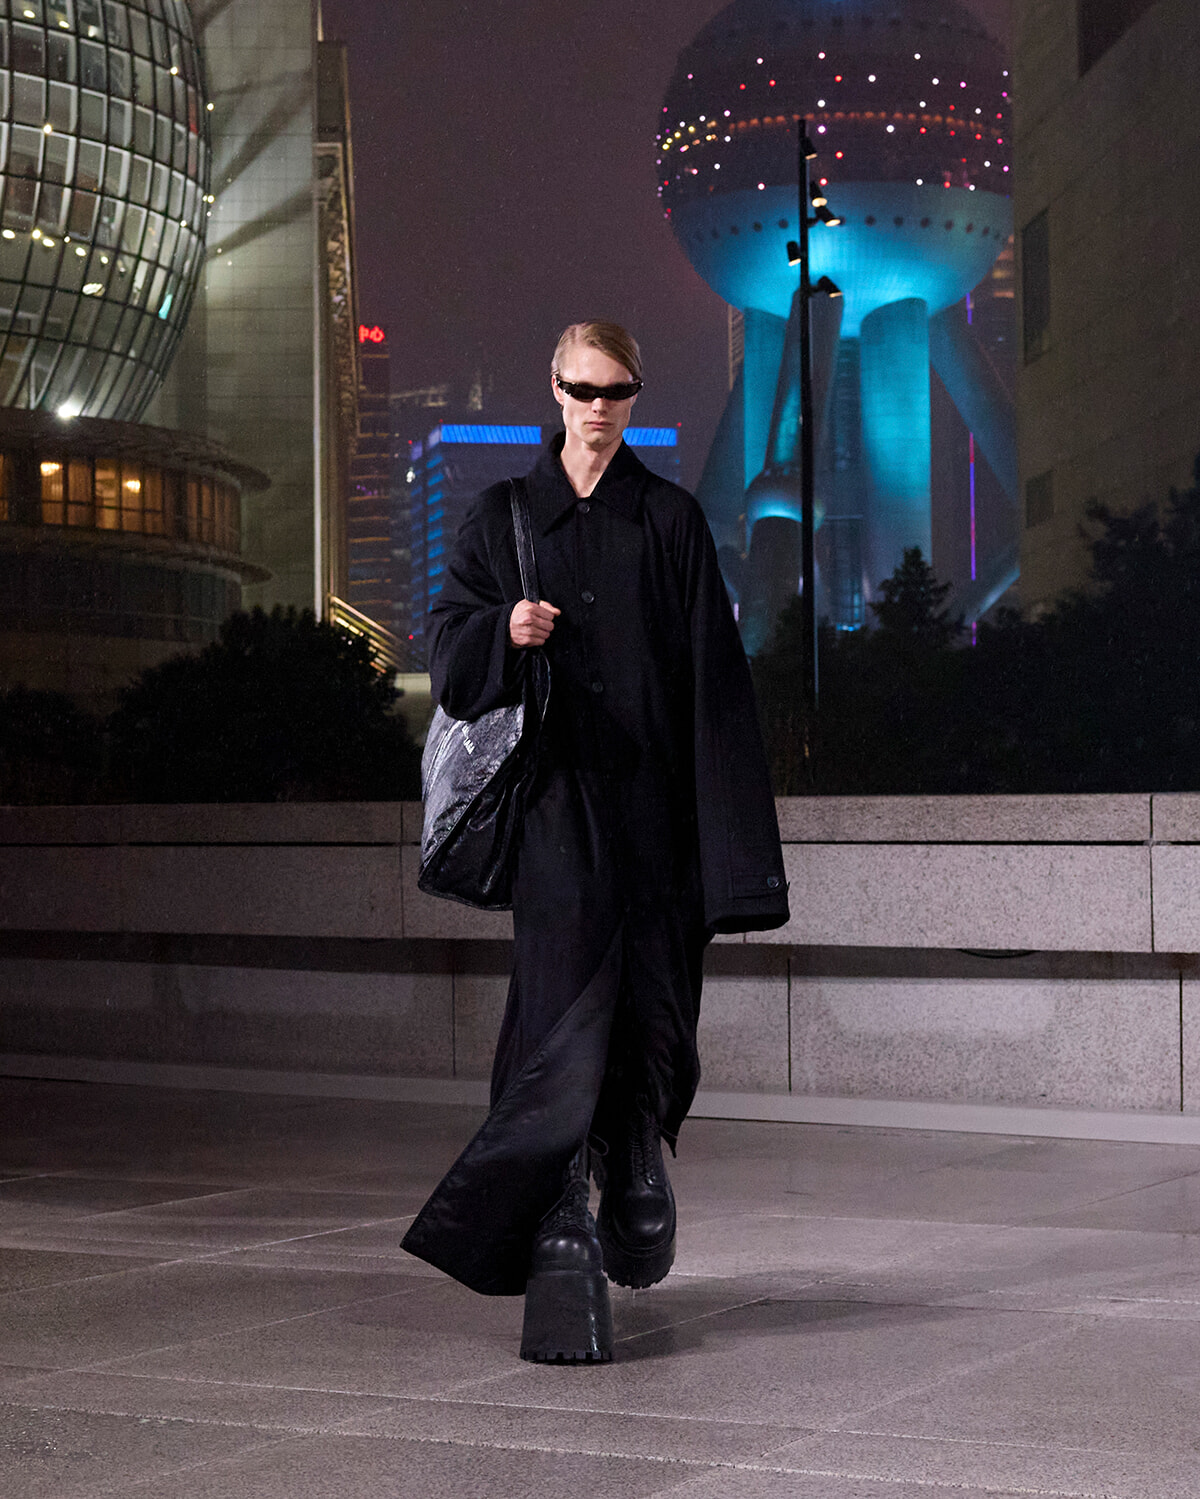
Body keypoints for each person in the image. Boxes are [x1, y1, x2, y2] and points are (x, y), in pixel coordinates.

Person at [402, 320, 788, 1362]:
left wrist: (735, 855)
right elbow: (447, 650)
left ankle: (635, 1160)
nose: (601, 407)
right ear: (557, 388)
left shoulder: (669, 519)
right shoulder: (502, 516)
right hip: (555, 813)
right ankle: (563, 1208)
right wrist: (505, 632)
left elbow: (716, 683)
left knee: (659, 999)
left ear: (632, 392)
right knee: (565, 1003)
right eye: (584, 388)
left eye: (618, 390)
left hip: (657, 812)